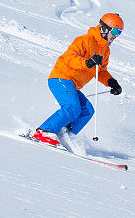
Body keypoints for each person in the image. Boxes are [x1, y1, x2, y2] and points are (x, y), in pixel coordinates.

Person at [30, 13, 124, 146]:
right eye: (114, 31)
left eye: (119, 32)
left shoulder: (105, 50)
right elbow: (69, 57)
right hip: (61, 78)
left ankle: (64, 135)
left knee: (87, 110)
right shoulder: (84, 40)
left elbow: (101, 71)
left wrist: (111, 82)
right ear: (104, 28)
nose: (116, 35)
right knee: (72, 107)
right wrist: (88, 63)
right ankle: (43, 132)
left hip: (73, 84)